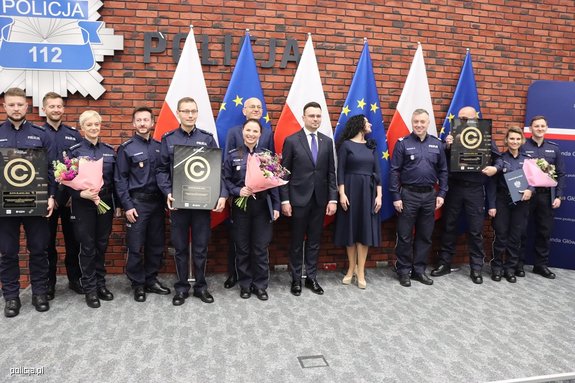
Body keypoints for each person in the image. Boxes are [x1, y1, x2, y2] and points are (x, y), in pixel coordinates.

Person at [156, 97, 226, 306]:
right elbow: (161, 170)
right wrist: (167, 191)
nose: (189, 115)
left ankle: (201, 286)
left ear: (197, 113)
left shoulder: (207, 138)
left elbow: (218, 170)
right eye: (185, 111)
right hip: (178, 203)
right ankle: (182, 288)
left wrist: (221, 194)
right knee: (179, 247)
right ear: (178, 113)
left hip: (202, 204)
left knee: (200, 247)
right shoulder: (168, 139)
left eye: (193, 111)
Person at [0, 87, 56, 317]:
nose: (16, 108)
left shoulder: (40, 134)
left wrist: (51, 196)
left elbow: (51, 169)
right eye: (11, 104)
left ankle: (39, 292)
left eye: (19, 104)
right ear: (4, 106)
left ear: (27, 107)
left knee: (39, 251)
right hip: (4, 206)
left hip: (35, 203)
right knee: (8, 253)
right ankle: (11, 297)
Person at [431, 106, 498, 284]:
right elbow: (440, 160)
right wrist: (447, 146)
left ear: (476, 118)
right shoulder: (452, 136)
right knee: (448, 226)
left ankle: (476, 268)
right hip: (454, 187)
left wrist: (495, 168)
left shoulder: (485, 137)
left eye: (467, 118)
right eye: (461, 118)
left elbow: (499, 159)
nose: (464, 121)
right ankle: (444, 263)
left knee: (476, 230)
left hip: (475, 189)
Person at [280, 101, 337, 296]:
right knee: (297, 241)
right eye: (311, 116)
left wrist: (333, 199)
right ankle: (296, 279)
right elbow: (284, 173)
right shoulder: (292, 140)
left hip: (320, 200)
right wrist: (285, 200)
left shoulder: (327, 142)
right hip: (297, 200)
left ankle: (311, 277)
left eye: (318, 116)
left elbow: (331, 173)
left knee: (314, 240)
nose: (315, 119)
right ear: (303, 118)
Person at [115, 107, 171, 302]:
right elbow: (120, 179)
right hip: (137, 203)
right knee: (136, 246)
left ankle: (151, 279)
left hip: (157, 203)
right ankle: (137, 283)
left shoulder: (159, 147)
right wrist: (127, 205)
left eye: (146, 120)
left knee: (156, 245)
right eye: (138, 120)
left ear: (152, 123)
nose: (142, 123)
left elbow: (166, 174)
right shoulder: (126, 148)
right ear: (133, 123)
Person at [68, 110, 121, 308]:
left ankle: (100, 284)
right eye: (89, 125)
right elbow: (65, 182)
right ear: (82, 128)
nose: (93, 128)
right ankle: (90, 288)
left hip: (104, 203)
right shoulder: (74, 151)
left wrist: (116, 206)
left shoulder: (108, 150)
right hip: (83, 204)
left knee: (101, 244)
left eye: (96, 124)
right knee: (87, 246)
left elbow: (116, 181)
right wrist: (80, 194)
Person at [222, 119, 280, 300]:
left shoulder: (267, 156)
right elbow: (225, 180)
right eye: (248, 130)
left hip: (262, 207)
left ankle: (260, 285)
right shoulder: (233, 155)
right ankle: (245, 284)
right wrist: (237, 190)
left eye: (255, 131)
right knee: (243, 247)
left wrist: (276, 206)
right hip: (241, 206)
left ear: (260, 135)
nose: (251, 134)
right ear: (242, 132)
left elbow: (275, 184)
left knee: (260, 248)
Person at [390, 108, 448, 287]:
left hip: (430, 195)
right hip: (408, 195)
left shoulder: (437, 144)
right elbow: (394, 171)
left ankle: (419, 270)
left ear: (428, 123)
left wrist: (442, 193)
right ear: (412, 122)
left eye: (422, 122)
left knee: (425, 235)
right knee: (405, 235)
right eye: (416, 122)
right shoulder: (403, 143)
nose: (419, 125)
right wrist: (396, 196)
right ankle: (403, 271)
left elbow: (443, 171)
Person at [42, 92, 83, 299]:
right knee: (47, 243)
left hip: (69, 199)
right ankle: (49, 284)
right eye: (52, 106)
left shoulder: (73, 134)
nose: (56, 109)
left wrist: (72, 193)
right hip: (47, 200)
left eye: (59, 106)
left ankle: (75, 279)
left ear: (63, 109)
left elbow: (79, 166)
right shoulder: (39, 134)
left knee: (73, 242)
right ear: (44, 109)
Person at [333, 115, 382, 289]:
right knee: (351, 231)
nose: (370, 124)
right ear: (359, 125)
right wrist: (342, 193)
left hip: (368, 192)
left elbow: (377, 172)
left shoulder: (371, 146)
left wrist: (379, 195)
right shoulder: (346, 145)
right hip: (350, 191)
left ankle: (361, 271)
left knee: (364, 231)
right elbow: (341, 171)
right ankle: (350, 268)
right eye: (367, 122)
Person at [520, 115, 565, 279]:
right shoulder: (523, 147)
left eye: (542, 126)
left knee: (544, 231)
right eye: (536, 126)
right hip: (526, 195)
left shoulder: (554, 149)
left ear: (546, 128)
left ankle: (541, 265)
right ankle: (518, 264)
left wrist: (559, 196)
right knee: (521, 230)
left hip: (546, 196)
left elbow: (560, 174)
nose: (539, 129)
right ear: (530, 129)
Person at [489, 127, 533, 283]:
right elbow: (492, 184)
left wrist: (530, 190)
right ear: (506, 140)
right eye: (511, 139)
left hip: (521, 203)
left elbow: (533, 180)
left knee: (515, 238)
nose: (514, 141)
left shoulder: (528, 160)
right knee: (500, 236)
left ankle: (509, 269)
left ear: (522, 141)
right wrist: (492, 205)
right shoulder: (500, 158)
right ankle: (496, 268)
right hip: (502, 201)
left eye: (517, 139)